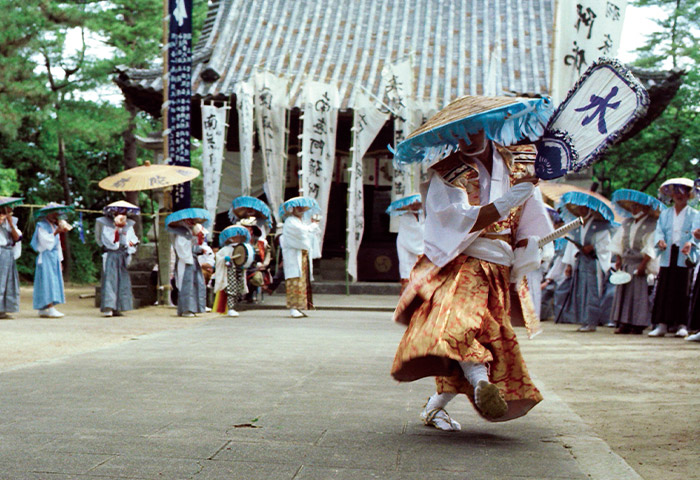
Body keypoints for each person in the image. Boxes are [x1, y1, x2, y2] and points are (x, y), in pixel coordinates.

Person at [390, 94, 554, 430]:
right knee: (460, 327)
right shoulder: (447, 174)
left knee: (490, 336)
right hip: (463, 264)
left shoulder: (519, 164)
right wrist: (513, 196)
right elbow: (459, 221)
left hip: (500, 265)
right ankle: (480, 383)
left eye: (473, 130)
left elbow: (531, 220)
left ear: (486, 126)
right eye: (457, 133)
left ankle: (438, 406)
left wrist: (526, 247)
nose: (466, 139)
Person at [556, 191, 615, 331]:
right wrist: (569, 264)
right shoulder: (577, 226)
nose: (581, 210)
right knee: (581, 290)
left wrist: (593, 247)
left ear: (590, 209)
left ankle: (592, 321)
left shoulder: (600, 226)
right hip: (580, 261)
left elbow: (606, 245)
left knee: (593, 291)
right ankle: (583, 320)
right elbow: (571, 246)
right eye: (579, 208)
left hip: (594, 262)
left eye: (584, 208)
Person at [648, 178, 699, 337]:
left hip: (684, 254)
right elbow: (659, 230)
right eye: (675, 192)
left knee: (683, 288)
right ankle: (662, 323)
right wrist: (660, 241)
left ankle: (681, 323)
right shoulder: (666, 213)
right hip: (668, 252)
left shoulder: (694, 214)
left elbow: (696, 232)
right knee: (664, 287)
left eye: (683, 192)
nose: (679, 195)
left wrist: (691, 243)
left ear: (688, 195)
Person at [608, 189, 662, 334]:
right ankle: (623, 322)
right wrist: (619, 259)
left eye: (636, 206)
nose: (634, 209)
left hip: (639, 262)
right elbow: (618, 242)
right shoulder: (627, 223)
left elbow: (650, 247)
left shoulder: (652, 225)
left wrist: (643, 265)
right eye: (632, 207)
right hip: (627, 261)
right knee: (623, 293)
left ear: (645, 207)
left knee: (638, 294)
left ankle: (638, 324)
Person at [95, 201, 140, 317]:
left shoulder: (129, 225)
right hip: (111, 254)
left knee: (122, 280)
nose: (122, 214)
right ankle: (108, 307)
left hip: (123, 254)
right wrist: (117, 229)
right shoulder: (105, 224)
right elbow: (108, 241)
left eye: (124, 212)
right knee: (110, 280)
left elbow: (133, 240)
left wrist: (129, 246)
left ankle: (119, 306)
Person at [165, 208, 212, 317]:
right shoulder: (182, 234)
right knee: (186, 285)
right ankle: (186, 309)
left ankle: (194, 308)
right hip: (185, 262)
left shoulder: (189, 233)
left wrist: (199, 249)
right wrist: (193, 253)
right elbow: (182, 250)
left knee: (196, 284)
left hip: (192, 261)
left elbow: (192, 247)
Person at [279, 197, 320, 318]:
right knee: (294, 281)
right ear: (293, 209)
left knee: (302, 282)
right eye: (298, 208)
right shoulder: (291, 221)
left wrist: (311, 228)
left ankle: (300, 306)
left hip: (302, 256)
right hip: (294, 255)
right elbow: (301, 234)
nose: (301, 210)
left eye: (303, 208)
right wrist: (312, 227)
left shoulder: (301, 222)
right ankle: (293, 308)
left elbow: (308, 235)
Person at [31, 203, 72, 318]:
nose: (55, 215)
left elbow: (57, 244)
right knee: (47, 281)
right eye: (53, 213)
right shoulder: (41, 225)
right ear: (47, 214)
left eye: (57, 213)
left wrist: (60, 260)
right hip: (45, 256)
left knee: (52, 281)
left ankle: (44, 308)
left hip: (54, 256)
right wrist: (56, 232)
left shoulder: (54, 225)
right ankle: (49, 307)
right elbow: (45, 242)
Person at [387, 194, 425, 294]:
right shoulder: (406, 217)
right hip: (406, 244)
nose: (415, 207)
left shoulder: (423, 215)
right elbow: (414, 232)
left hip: (422, 245)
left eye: (418, 204)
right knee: (406, 268)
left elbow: (425, 230)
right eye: (413, 204)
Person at [213, 225, 250, 317]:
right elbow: (218, 258)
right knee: (230, 290)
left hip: (239, 271)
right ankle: (230, 308)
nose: (238, 237)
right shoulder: (225, 249)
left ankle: (234, 306)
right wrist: (224, 260)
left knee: (238, 290)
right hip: (229, 272)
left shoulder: (242, 248)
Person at [0, 197, 23, 318]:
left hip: (8, 252)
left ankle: (3, 309)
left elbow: (17, 237)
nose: (10, 209)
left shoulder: (11, 222)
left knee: (8, 281)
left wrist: (10, 223)